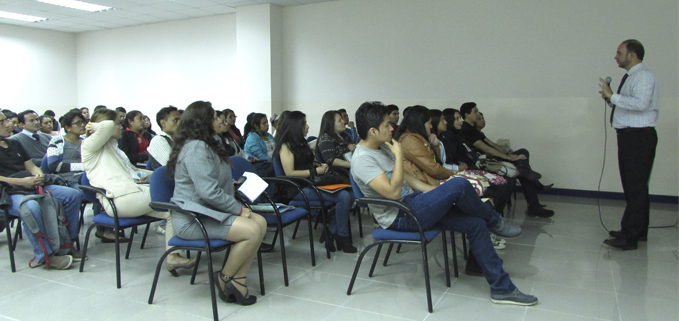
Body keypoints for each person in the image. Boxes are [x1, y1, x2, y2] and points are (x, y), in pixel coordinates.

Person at [350, 101, 537, 305]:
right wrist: (399, 156)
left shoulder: (382, 147)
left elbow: (409, 180)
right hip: (400, 216)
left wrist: (439, 195)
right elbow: (394, 193)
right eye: (387, 125)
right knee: (459, 184)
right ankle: (496, 222)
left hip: (416, 204)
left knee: (475, 223)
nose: (392, 128)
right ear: (373, 131)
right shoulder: (362, 159)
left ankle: (502, 288)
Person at [168, 101, 266, 306]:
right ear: (202, 121)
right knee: (252, 230)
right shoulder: (195, 147)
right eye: (214, 117)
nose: (219, 120)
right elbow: (207, 191)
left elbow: (211, 181)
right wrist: (238, 210)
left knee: (261, 223)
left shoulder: (209, 143)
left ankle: (239, 280)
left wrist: (232, 186)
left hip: (210, 211)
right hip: (192, 218)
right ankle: (224, 278)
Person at [82, 108, 194, 273]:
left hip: (133, 194)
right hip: (118, 199)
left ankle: (173, 256)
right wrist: (95, 126)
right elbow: (105, 126)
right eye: (118, 124)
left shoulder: (115, 148)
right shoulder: (89, 146)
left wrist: (158, 176)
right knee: (174, 199)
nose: (121, 127)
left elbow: (135, 171)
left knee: (172, 212)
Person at [0, 111, 83, 270]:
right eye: (2, 122)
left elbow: (30, 165)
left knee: (72, 195)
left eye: (6, 121)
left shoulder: (14, 144)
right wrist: (21, 182)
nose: (8, 124)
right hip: (8, 191)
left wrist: (38, 175)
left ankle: (66, 244)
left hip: (30, 183)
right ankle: (46, 256)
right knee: (31, 208)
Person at [598, 39, 658, 251]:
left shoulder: (642, 76)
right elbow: (629, 103)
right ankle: (638, 230)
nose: (616, 56)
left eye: (619, 52)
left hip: (638, 137)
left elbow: (641, 104)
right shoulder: (632, 76)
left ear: (632, 55)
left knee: (635, 187)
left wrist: (613, 96)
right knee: (636, 187)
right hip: (630, 136)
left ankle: (630, 236)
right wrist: (611, 98)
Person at [275, 111, 356, 253]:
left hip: (313, 183)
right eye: (304, 123)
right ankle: (342, 236)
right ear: (296, 126)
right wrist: (315, 172)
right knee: (343, 196)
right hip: (298, 188)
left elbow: (312, 161)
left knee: (351, 191)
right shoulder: (285, 146)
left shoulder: (301, 143)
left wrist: (320, 165)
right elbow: (290, 173)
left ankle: (331, 230)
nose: (307, 127)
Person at [459, 103, 554, 218]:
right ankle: (534, 200)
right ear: (467, 115)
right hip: (486, 163)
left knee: (522, 155)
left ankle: (534, 197)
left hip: (492, 159)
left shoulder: (474, 130)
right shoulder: (466, 129)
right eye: (475, 111)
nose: (479, 114)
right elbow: (487, 149)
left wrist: (510, 154)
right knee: (517, 173)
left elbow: (492, 144)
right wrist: (509, 157)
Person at [147, 106, 181, 170]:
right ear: (163, 123)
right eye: (175, 120)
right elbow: (174, 167)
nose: (180, 123)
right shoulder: (158, 140)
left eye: (181, 120)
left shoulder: (177, 140)